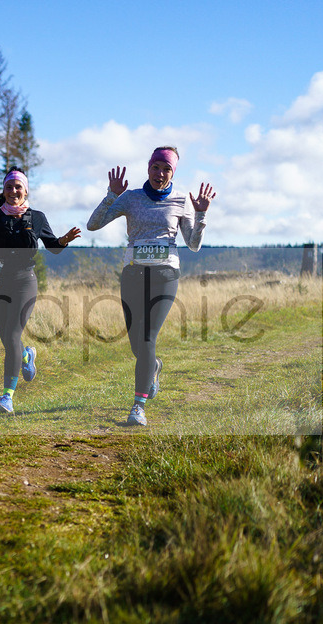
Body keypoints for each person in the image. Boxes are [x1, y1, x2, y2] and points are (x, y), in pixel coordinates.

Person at [86, 146, 216, 426]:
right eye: (156, 167)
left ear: (173, 173)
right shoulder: (131, 198)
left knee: (147, 339)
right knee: (137, 344)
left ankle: (138, 406)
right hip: (133, 274)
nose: (160, 173)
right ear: (148, 168)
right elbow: (93, 225)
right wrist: (111, 196)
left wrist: (201, 215)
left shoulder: (181, 200)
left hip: (165, 275)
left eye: (167, 169)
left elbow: (193, 245)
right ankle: (154, 366)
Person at [0, 167, 81, 414]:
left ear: (25, 190)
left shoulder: (37, 217)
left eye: (17, 187)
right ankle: (26, 355)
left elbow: (53, 247)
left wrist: (64, 240)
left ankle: (7, 397)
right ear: (4, 190)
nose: (13, 191)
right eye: (9, 187)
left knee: (12, 336)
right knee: (7, 339)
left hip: (24, 281)